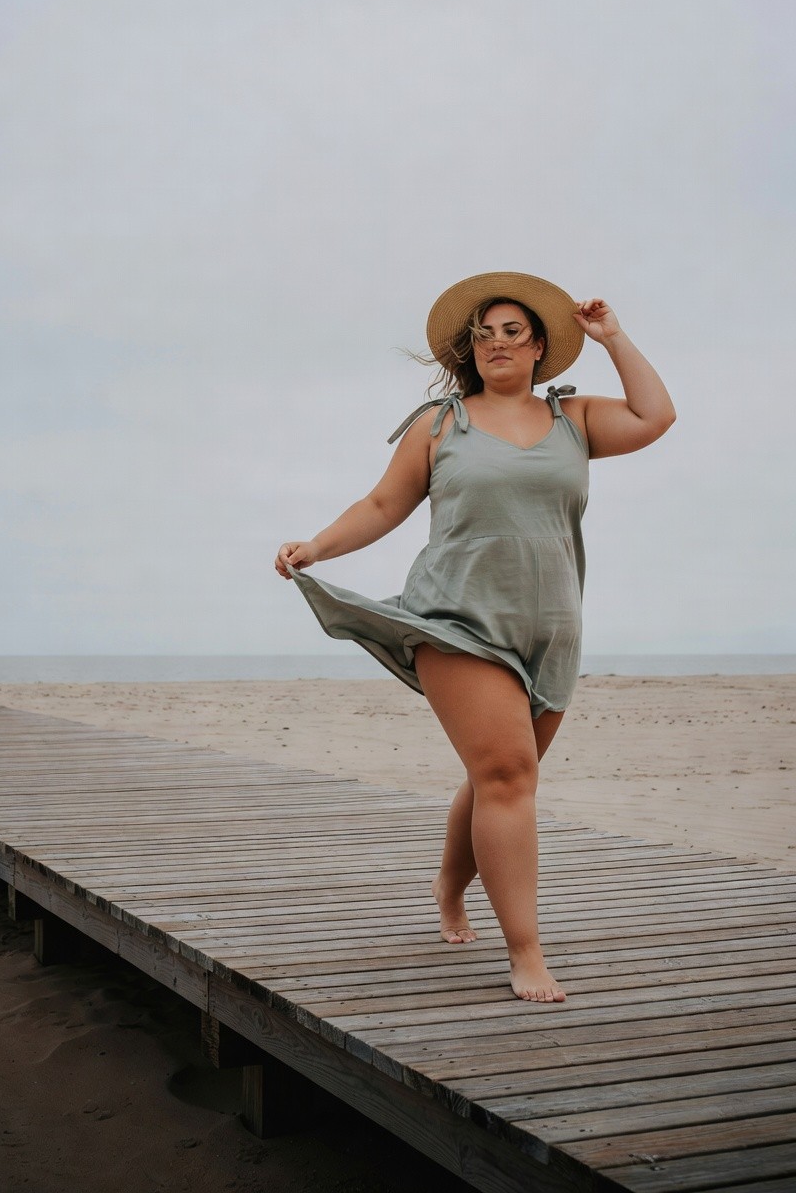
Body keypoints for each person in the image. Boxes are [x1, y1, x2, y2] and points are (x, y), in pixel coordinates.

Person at [275, 271, 675, 1003]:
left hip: (551, 630)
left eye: (512, 331)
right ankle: (526, 951)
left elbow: (655, 417)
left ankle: (448, 886)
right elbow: (383, 502)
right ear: (469, 350)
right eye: (484, 333)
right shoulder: (441, 424)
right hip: (456, 619)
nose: (496, 342)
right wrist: (318, 547)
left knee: (499, 778)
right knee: (507, 778)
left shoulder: (575, 419)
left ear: (541, 346)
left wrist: (614, 337)